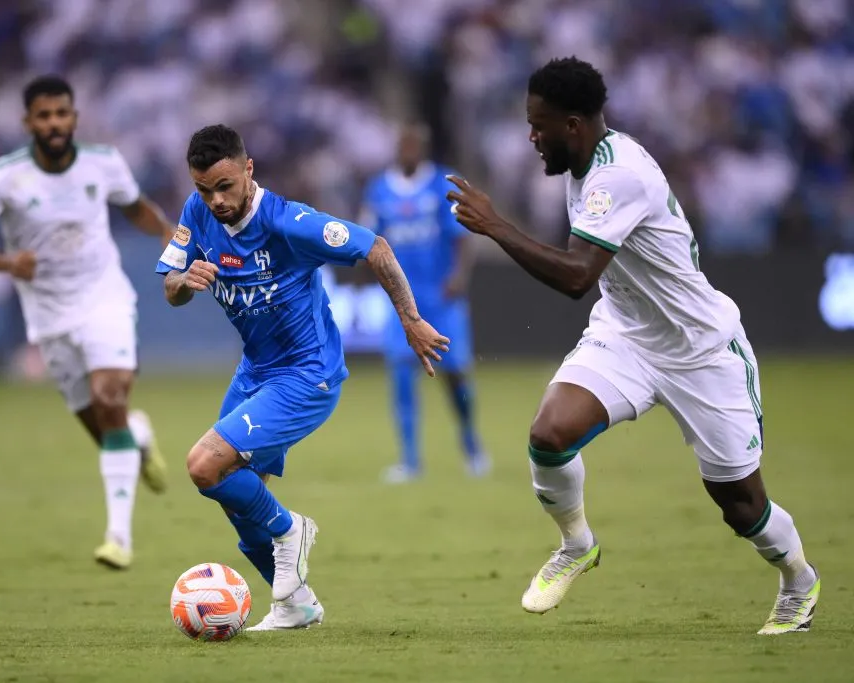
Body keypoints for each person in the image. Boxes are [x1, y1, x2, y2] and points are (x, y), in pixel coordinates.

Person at [446, 57, 819, 635]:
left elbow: (577, 276)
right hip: (626, 335)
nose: (531, 137)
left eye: (539, 125)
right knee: (549, 435)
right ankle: (577, 545)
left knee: (742, 506)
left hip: (700, 351)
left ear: (573, 125)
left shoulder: (617, 175)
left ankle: (798, 580)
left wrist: (496, 226)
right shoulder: (580, 162)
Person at [157, 124, 448, 631]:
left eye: (224, 186)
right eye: (204, 189)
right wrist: (186, 280)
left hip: (306, 374)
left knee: (204, 466)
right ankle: (296, 605)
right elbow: (170, 288)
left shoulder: (290, 223)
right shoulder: (196, 211)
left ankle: (291, 529)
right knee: (240, 502)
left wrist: (410, 320)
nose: (216, 200)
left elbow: (376, 247)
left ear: (248, 170)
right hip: (255, 372)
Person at [0, 75, 173, 570]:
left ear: (74, 117)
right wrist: (6, 263)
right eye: (44, 116)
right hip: (49, 315)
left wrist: (169, 234)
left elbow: (137, 208)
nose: (54, 123)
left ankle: (118, 538)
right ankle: (137, 436)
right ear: (28, 122)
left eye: (61, 114)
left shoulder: (104, 162)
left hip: (104, 298)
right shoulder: (2, 177)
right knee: (106, 429)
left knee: (109, 397)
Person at [361, 122, 488, 483]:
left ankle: (472, 446)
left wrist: (459, 277)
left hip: (441, 297)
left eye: (414, 146)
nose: (409, 151)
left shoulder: (441, 185)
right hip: (401, 303)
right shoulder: (378, 190)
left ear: (423, 148)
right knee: (402, 377)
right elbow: (368, 241)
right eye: (404, 145)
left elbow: (463, 238)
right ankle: (410, 461)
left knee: (455, 374)